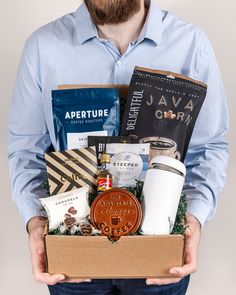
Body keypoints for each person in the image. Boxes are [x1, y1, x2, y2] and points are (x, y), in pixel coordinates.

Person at [8, 0, 228, 294]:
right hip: (75, 256)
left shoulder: (191, 45)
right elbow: (26, 152)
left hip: (158, 255)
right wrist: (36, 223)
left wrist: (194, 220)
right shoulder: (42, 47)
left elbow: (209, 147)